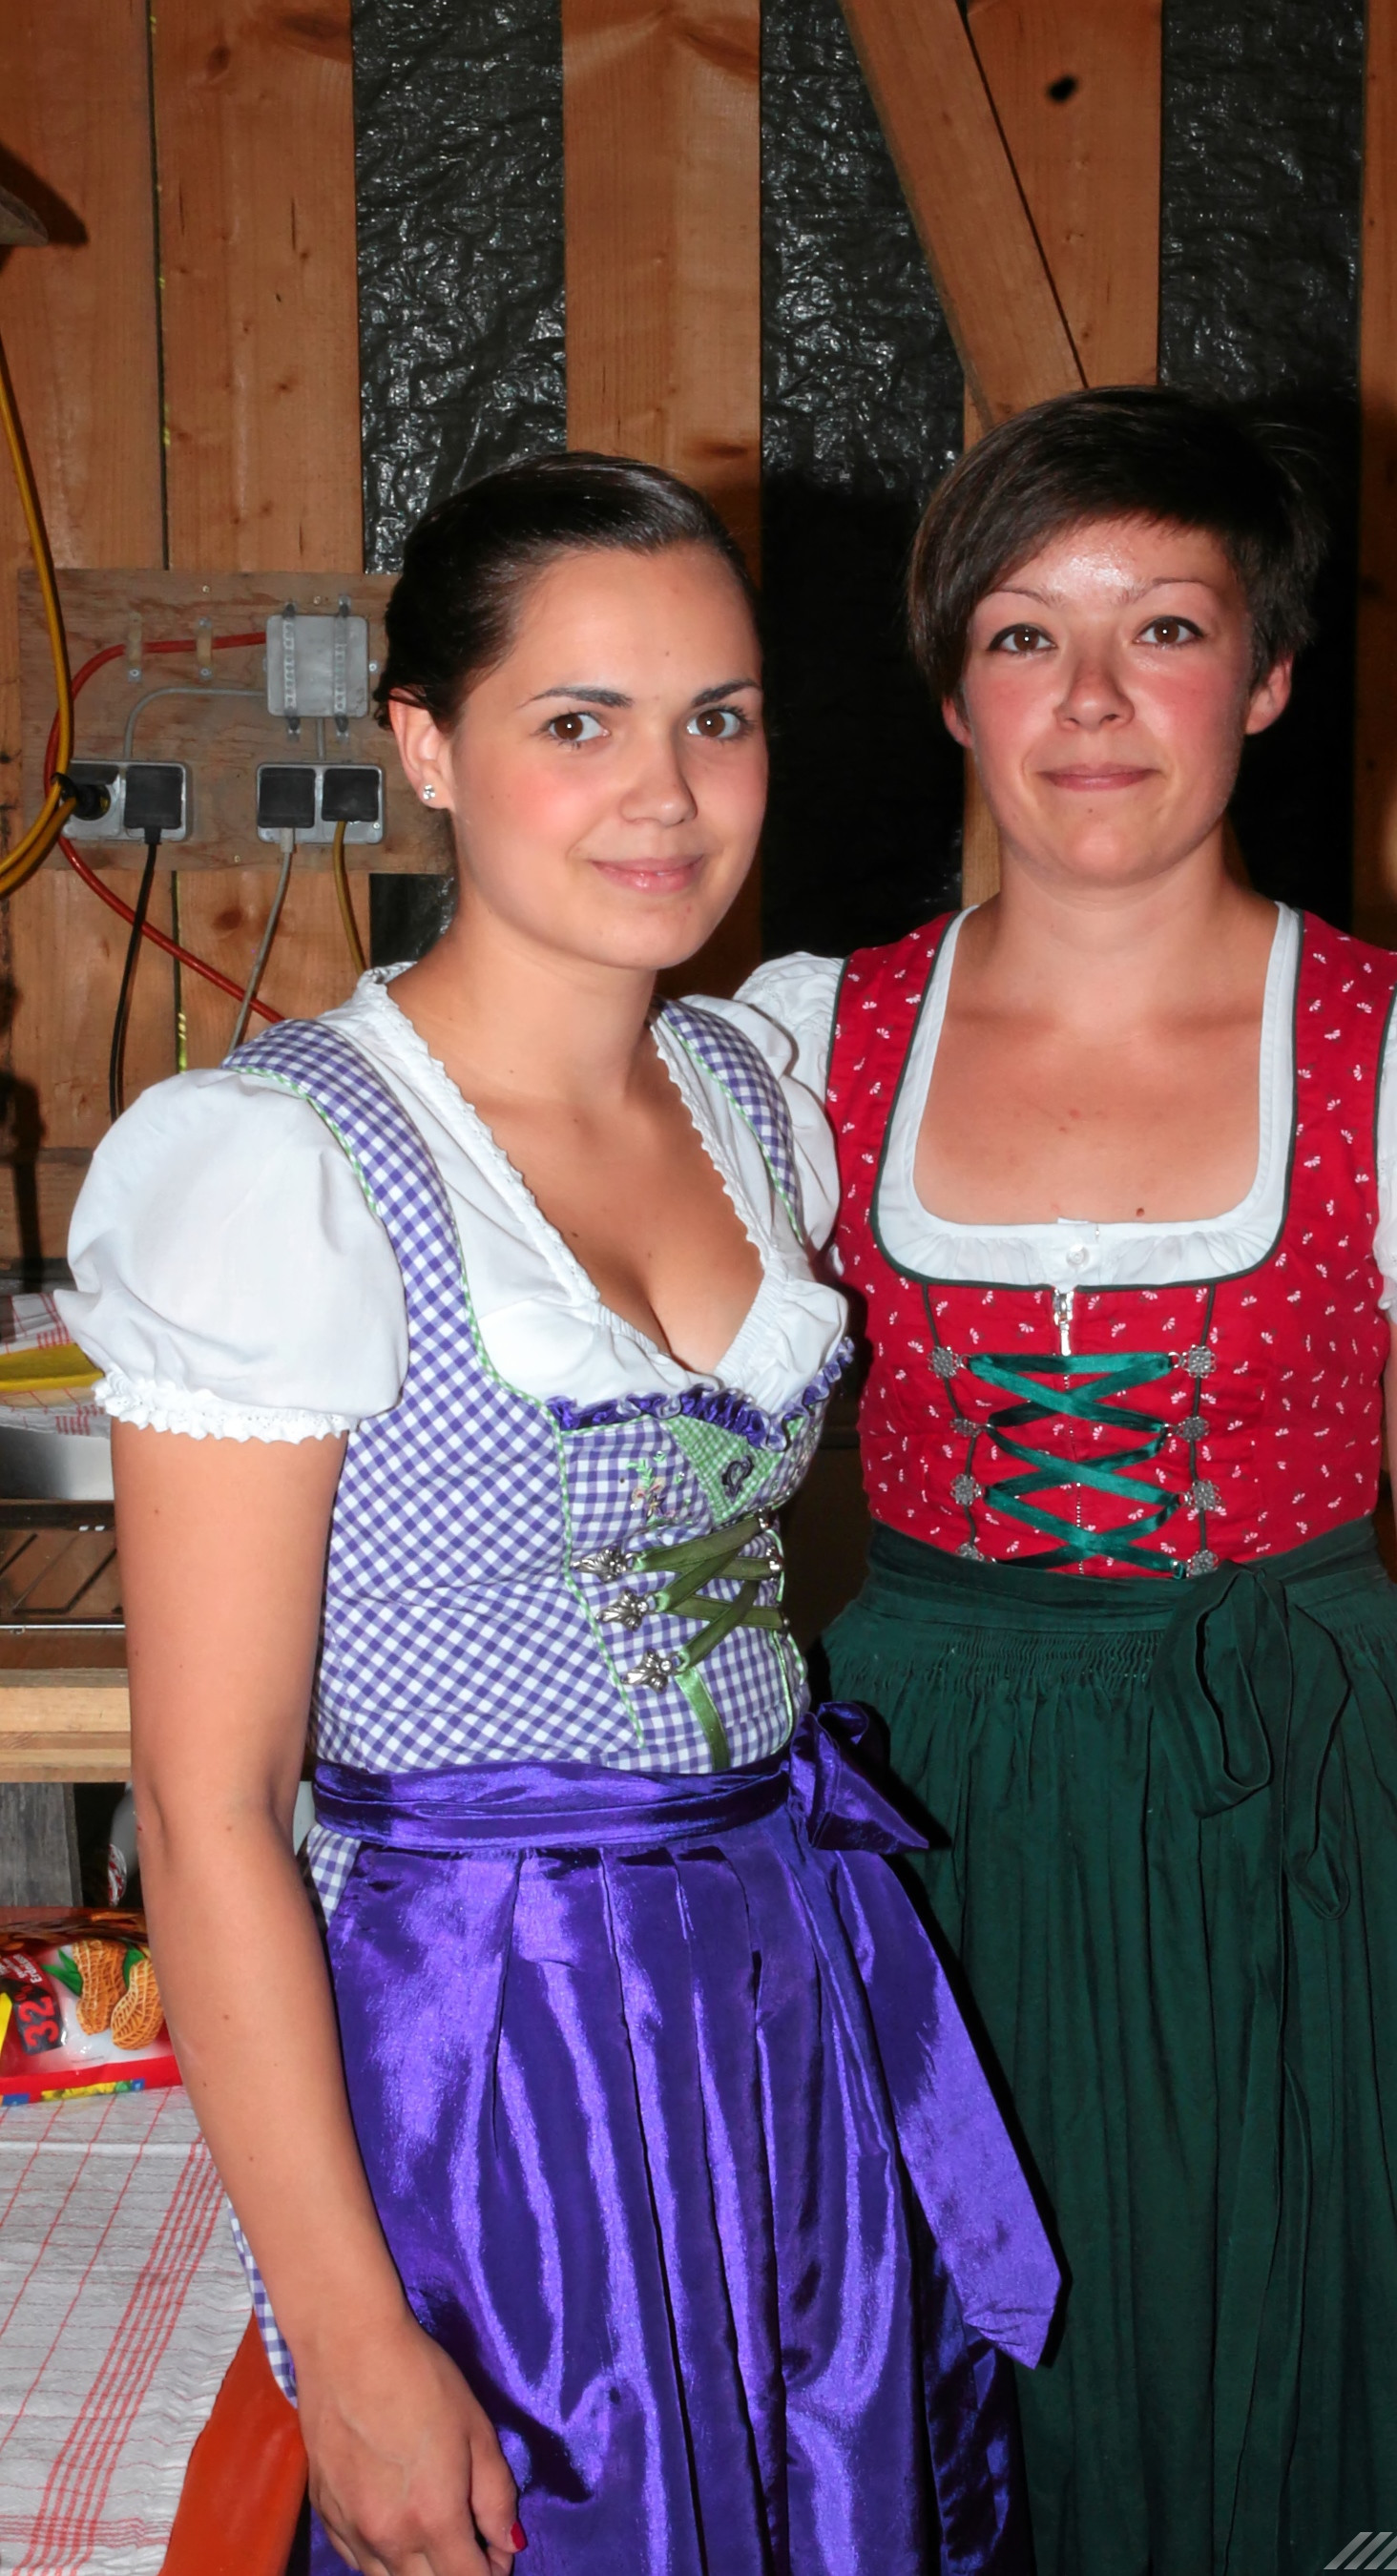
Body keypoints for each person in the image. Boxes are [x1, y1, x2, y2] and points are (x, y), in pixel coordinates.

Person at [729, 385, 1397, 2574]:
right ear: (954, 690)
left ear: (1264, 677)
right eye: (1025, 635)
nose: (1091, 698)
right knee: (966, 2423)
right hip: (933, 1830)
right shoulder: (800, 1051)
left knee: (1306, 2387)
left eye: (1164, 629)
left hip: (1317, 1828)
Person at [64, 452, 1056, 2576]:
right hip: (490, 2033)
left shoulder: (745, 1093)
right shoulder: (279, 1167)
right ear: (427, 745)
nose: (667, 795)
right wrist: (352, 2342)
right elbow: (210, 1805)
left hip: (784, 1973)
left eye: (719, 717)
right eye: (579, 722)